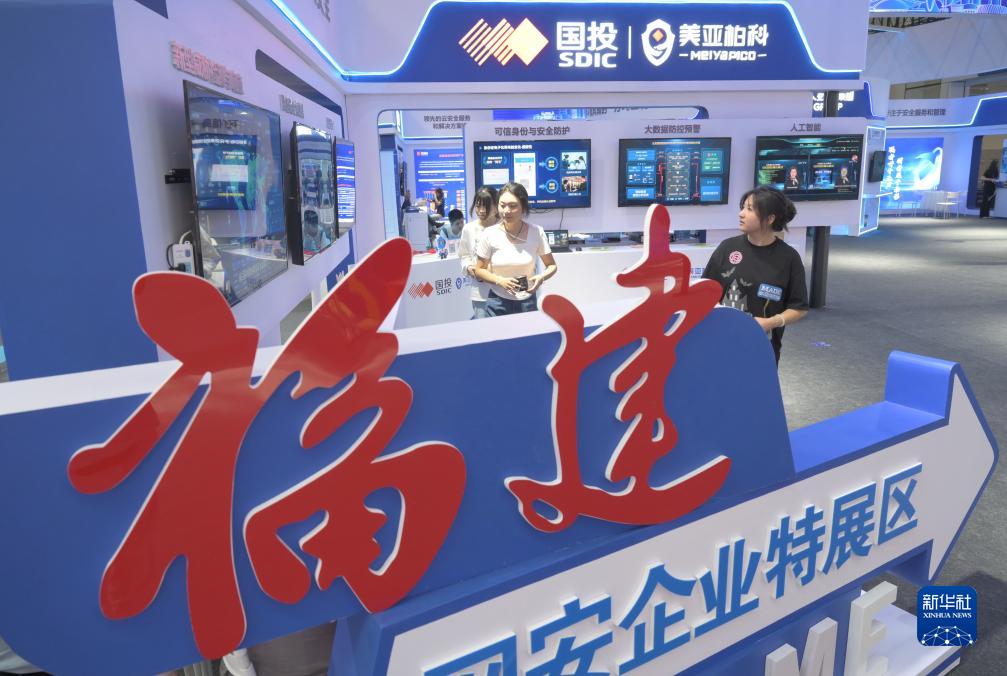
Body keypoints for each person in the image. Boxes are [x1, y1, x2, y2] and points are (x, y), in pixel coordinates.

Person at [702, 186, 808, 365]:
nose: (741, 214)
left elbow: (799, 307)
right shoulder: (727, 247)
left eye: (749, 209)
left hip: (762, 345)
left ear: (770, 218)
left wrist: (772, 322)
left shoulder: (788, 258)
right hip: (721, 341)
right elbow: (706, 291)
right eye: (742, 207)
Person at [474, 182, 557, 317]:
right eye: (502, 205)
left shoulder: (536, 232)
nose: (506, 211)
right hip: (497, 303)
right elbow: (479, 270)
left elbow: (552, 265)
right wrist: (500, 280)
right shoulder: (489, 234)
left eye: (513, 206)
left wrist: (541, 277)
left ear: (523, 207)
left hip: (527, 302)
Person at [459, 187, 498, 319]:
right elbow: (464, 255)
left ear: (496, 207)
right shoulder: (469, 229)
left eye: (486, 206)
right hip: (480, 293)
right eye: (478, 206)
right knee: (483, 328)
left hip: (503, 291)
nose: (481, 210)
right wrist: (469, 267)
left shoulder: (504, 227)